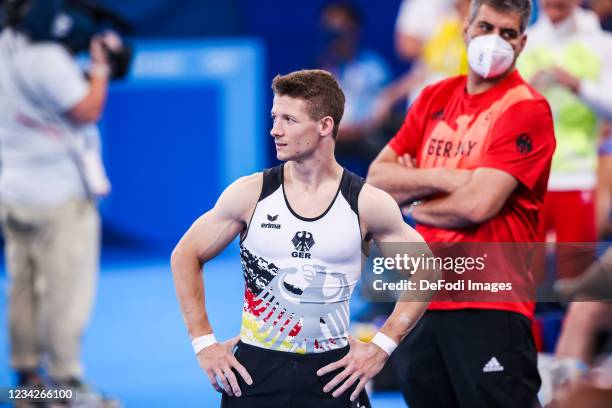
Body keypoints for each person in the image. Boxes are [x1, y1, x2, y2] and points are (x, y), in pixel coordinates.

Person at [171, 69, 437, 408]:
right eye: (274, 117)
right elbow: (185, 255)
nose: (275, 129)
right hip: (256, 373)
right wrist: (203, 343)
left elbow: (426, 271)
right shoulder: (250, 194)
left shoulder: (366, 203)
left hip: (335, 374)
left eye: (289, 120)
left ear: (325, 125)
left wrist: (382, 346)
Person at [367, 0, 556, 406]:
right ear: (465, 29)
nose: (495, 41)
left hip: (490, 301)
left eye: (508, 33)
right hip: (422, 299)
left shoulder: (526, 108)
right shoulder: (435, 97)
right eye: (486, 26)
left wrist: (414, 203)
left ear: (522, 43)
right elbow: (377, 180)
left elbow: (478, 205)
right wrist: (446, 179)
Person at [0, 0, 116, 396]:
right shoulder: (46, 56)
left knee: (24, 285)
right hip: (58, 194)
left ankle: (29, 383)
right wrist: (99, 68)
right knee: (66, 291)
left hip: (13, 190)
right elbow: (87, 108)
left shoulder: (4, 45)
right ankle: (64, 382)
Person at [518, 0, 612, 279]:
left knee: (575, 282)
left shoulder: (601, 44)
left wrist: (578, 86)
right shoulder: (526, 41)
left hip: (579, 176)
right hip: (531, 177)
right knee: (525, 281)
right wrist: (526, 91)